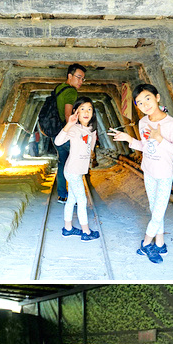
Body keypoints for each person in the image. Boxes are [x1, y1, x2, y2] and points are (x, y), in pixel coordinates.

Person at [110, 83, 173, 263]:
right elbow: (145, 146)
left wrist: (160, 138)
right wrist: (129, 139)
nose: (145, 105)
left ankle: (145, 244)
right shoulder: (143, 122)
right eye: (140, 103)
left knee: (158, 213)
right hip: (148, 171)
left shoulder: (170, 124)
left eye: (147, 99)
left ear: (157, 98)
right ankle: (160, 244)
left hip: (164, 173)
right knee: (154, 210)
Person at [54, 97, 99, 242]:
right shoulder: (74, 128)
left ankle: (68, 228)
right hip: (72, 171)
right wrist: (69, 124)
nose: (86, 112)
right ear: (76, 112)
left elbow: (89, 150)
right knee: (82, 200)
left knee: (72, 199)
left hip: (79, 171)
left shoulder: (91, 130)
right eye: (82, 109)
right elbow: (58, 141)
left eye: (89, 109)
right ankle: (86, 231)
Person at [54, 64, 86, 204]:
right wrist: (74, 132)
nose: (80, 81)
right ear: (70, 76)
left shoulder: (59, 88)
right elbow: (68, 114)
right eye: (78, 77)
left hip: (56, 131)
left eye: (83, 79)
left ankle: (62, 195)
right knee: (73, 164)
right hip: (66, 131)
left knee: (62, 163)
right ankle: (75, 196)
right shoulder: (71, 92)